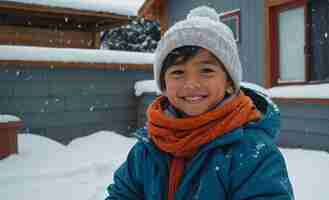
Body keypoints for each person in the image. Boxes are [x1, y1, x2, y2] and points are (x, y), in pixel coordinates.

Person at [105, 6, 294, 200]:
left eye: (206, 71)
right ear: (164, 85)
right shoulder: (149, 148)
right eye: (178, 72)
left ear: (229, 82)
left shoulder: (252, 153)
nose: (191, 84)